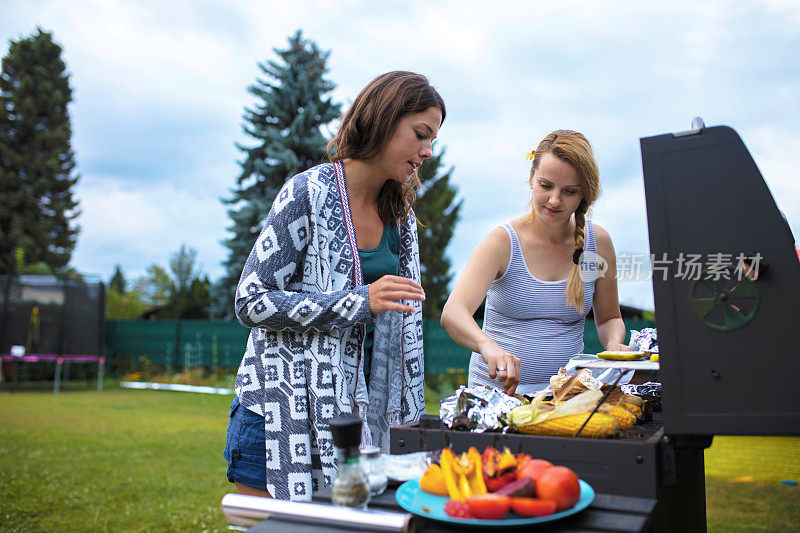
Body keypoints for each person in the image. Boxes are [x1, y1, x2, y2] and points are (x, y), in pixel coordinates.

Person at [224, 71, 445, 501]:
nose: (428, 151)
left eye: (432, 140)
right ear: (384, 119)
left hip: (362, 429)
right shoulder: (306, 192)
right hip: (277, 418)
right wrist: (357, 302)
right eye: (421, 135)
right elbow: (250, 302)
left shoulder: (401, 218)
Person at [441, 130, 627, 396]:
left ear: (584, 194)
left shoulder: (598, 244)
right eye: (546, 185)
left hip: (565, 398)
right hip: (496, 397)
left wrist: (614, 344)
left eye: (569, 191)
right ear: (531, 179)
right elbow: (453, 312)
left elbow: (610, 318)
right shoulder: (502, 242)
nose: (554, 200)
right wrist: (487, 346)